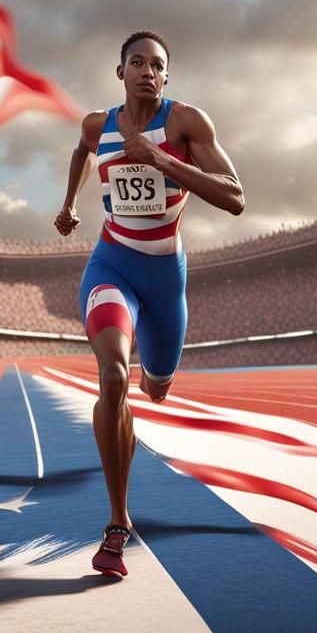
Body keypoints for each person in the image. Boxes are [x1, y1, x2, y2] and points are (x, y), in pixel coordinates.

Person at [54, 31, 244, 577]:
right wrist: (69, 203)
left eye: (157, 65)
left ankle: (151, 385)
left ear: (166, 77)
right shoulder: (98, 125)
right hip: (111, 266)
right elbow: (82, 150)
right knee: (111, 378)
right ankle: (118, 522)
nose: (147, 71)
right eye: (137, 62)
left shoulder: (186, 123)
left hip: (164, 278)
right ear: (121, 72)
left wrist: (159, 158)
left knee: (153, 389)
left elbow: (235, 196)